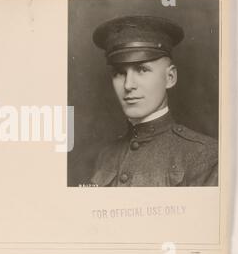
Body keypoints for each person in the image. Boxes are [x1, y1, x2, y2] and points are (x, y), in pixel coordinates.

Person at [88, 15, 218, 187]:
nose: (128, 85)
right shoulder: (106, 155)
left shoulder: (205, 155)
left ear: (170, 77)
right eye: (119, 73)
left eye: (142, 69)